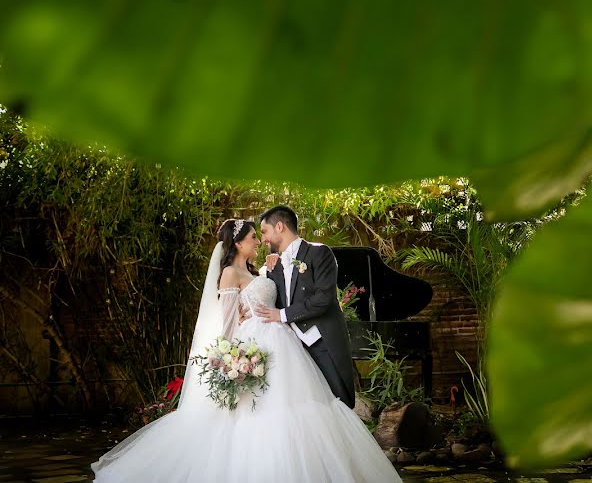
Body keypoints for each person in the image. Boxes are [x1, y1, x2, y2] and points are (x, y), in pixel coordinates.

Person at [92, 218, 401, 482]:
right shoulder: (229, 274)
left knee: (301, 405)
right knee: (261, 414)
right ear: (238, 243)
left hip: (282, 343)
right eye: (254, 237)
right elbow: (227, 323)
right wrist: (229, 360)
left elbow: (260, 298)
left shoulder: (256, 271)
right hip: (255, 346)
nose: (259, 241)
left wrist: (267, 273)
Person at [255, 204, 355, 408]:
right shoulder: (275, 266)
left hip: (322, 342)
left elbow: (323, 299)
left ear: (280, 227)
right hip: (293, 350)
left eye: (265, 231)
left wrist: (281, 315)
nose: (263, 239)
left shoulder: (319, 253)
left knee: (338, 404)